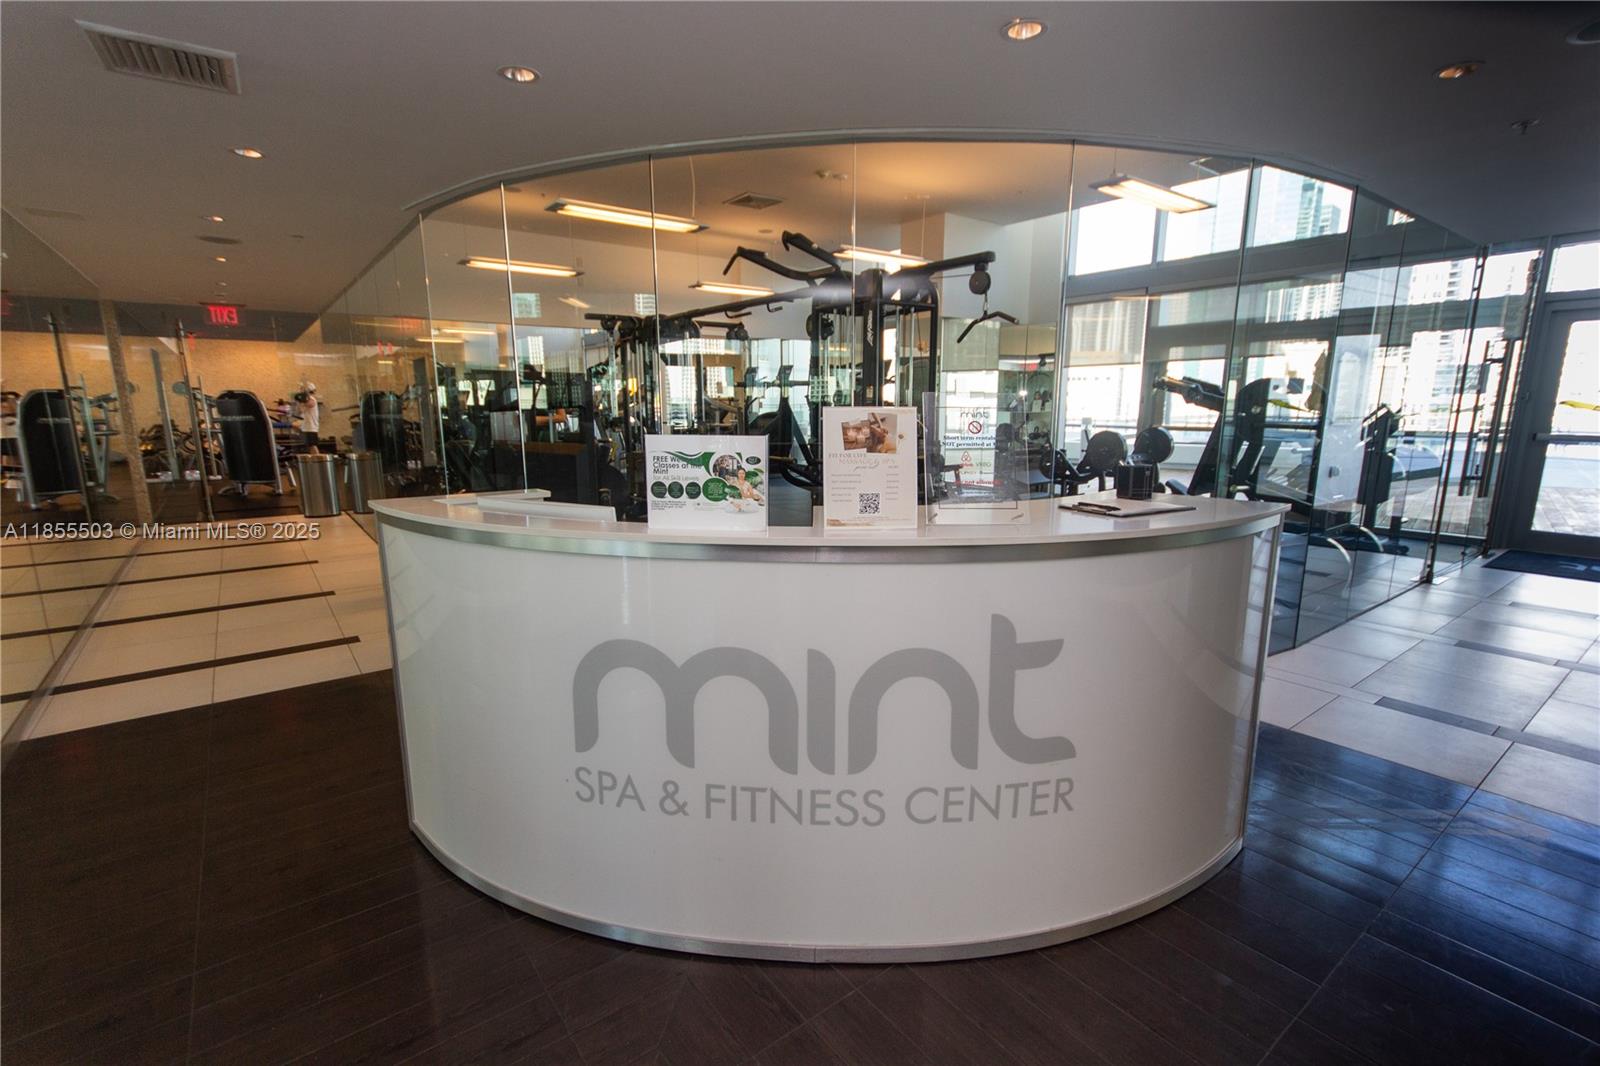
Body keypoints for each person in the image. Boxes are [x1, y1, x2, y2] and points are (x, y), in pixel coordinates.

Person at [298, 381, 320, 449]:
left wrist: (303, 399)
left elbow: (310, 404)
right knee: (310, 447)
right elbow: (301, 410)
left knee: (313, 446)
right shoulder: (305, 400)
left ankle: (317, 458)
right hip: (306, 426)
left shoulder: (311, 399)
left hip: (311, 427)